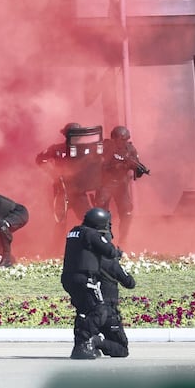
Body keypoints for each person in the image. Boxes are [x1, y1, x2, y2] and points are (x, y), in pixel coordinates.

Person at [60, 207, 122, 359]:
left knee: (83, 312)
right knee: (98, 311)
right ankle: (84, 345)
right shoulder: (91, 233)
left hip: (69, 277)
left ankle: (80, 345)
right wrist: (117, 253)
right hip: (84, 278)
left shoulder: (75, 232)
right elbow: (109, 251)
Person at [95, 125, 149, 244]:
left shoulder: (130, 149)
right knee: (101, 212)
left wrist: (137, 169)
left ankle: (123, 240)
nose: (124, 142)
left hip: (121, 184)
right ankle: (104, 240)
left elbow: (136, 165)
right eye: (122, 140)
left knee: (127, 212)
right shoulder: (106, 147)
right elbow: (97, 164)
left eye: (126, 140)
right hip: (105, 184)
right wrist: (114, 166)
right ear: (115, 138)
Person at [35, 122, 96, 224]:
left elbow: (96, 164)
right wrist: (53, 172)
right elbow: (40, 159)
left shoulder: (86, 150)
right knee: (60, 221)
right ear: (67, 135)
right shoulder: (57, 149)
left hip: (79, 190)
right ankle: (58, 240)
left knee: (88, 219)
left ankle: (87, 239)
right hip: (61, 189)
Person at [96, 248, 136, 358]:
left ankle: (91, 342)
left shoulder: (87, 263)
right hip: (108, 311)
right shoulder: (111, 264)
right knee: (122, 349)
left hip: (90, 310)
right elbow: (130, 283)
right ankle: (96, 342)